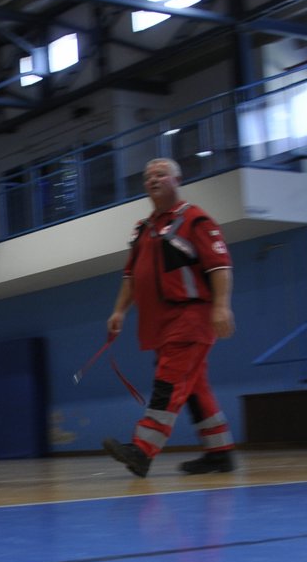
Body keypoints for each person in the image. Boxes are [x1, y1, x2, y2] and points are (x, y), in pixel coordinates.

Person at [101, 158, 237, 477]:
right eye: (148, 176)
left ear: (177, 180)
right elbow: (132, 275)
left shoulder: (195, 220)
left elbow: (220, 266)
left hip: (190, 318)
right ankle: (220, 453)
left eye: (161, 174)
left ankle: (142, 450)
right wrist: (119, 310)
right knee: (194, 389)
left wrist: (221, 306)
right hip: (161, 326)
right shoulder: (144, 229)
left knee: (169, 384)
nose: (153, 180)